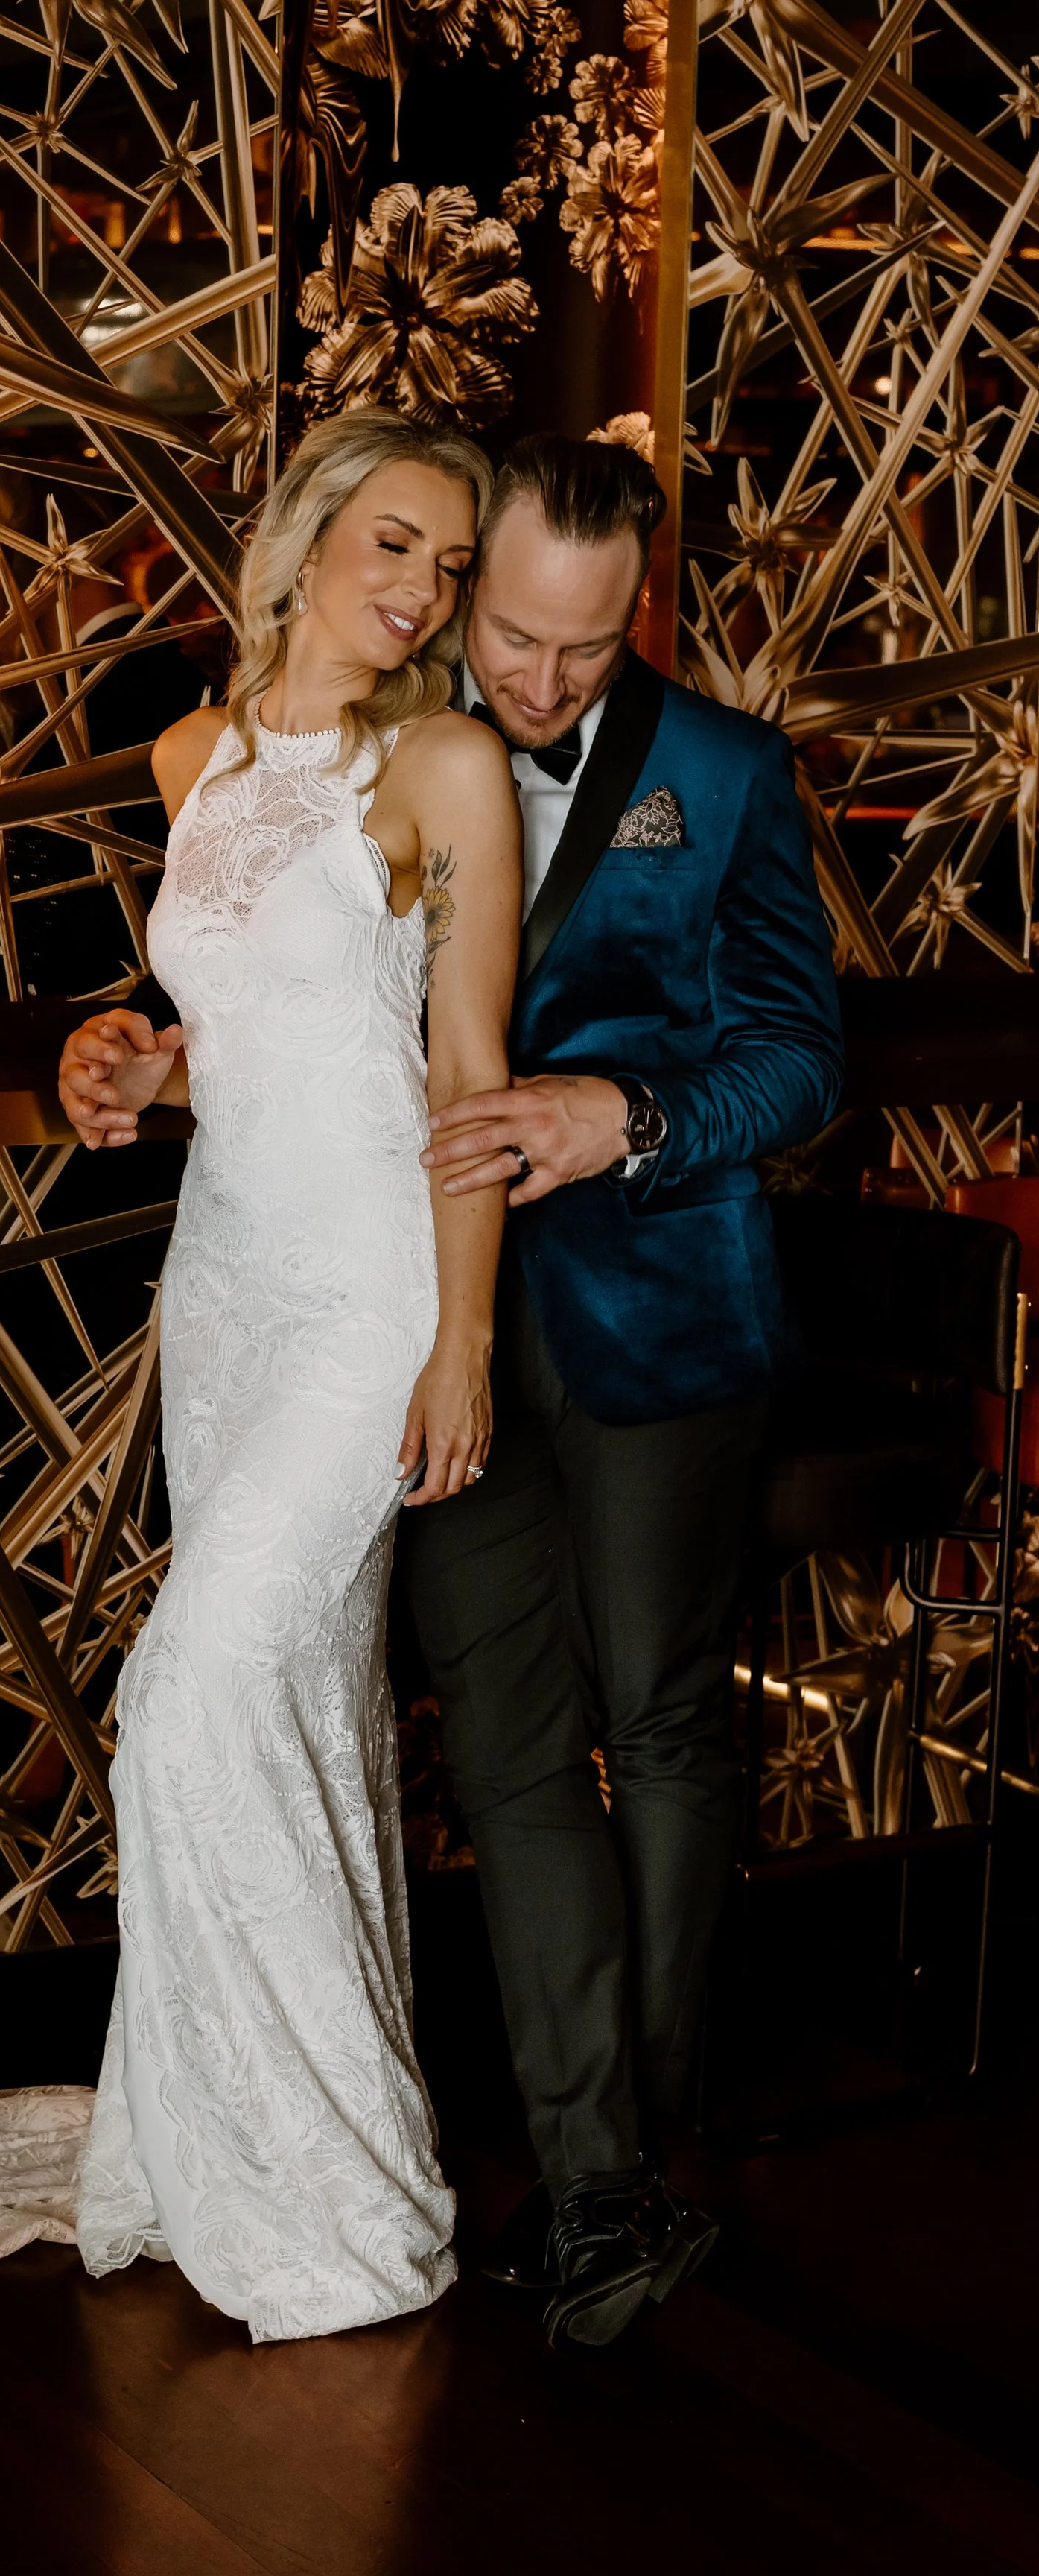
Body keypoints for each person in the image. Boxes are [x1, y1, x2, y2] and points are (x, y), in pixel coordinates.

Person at [60, 408, 522, 2341]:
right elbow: (230, 1013)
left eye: (447, 563)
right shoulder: (193, 754)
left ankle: (338, 2186)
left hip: (364, 1302)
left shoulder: (447, 764)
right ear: (313, 528)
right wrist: (127, 1055)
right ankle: (235, 2140)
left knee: (184, 1696)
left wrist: (464, 1337)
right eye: (395, 543)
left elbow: (465, 1075)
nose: (419, 588)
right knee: (302, 1716)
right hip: (222, 1287)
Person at [403, 434, 841, 2347]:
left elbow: (799, 1063)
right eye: (510, 635)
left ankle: (642, 2134)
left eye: (583, 654)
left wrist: (631, 1117)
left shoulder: (731, 773)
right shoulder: (381, 753)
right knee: (503, 1747)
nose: (538, 682)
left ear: (634, 608)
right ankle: (593, 2182)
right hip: (440, 1326)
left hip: (665, 1319)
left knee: (659, 1727)